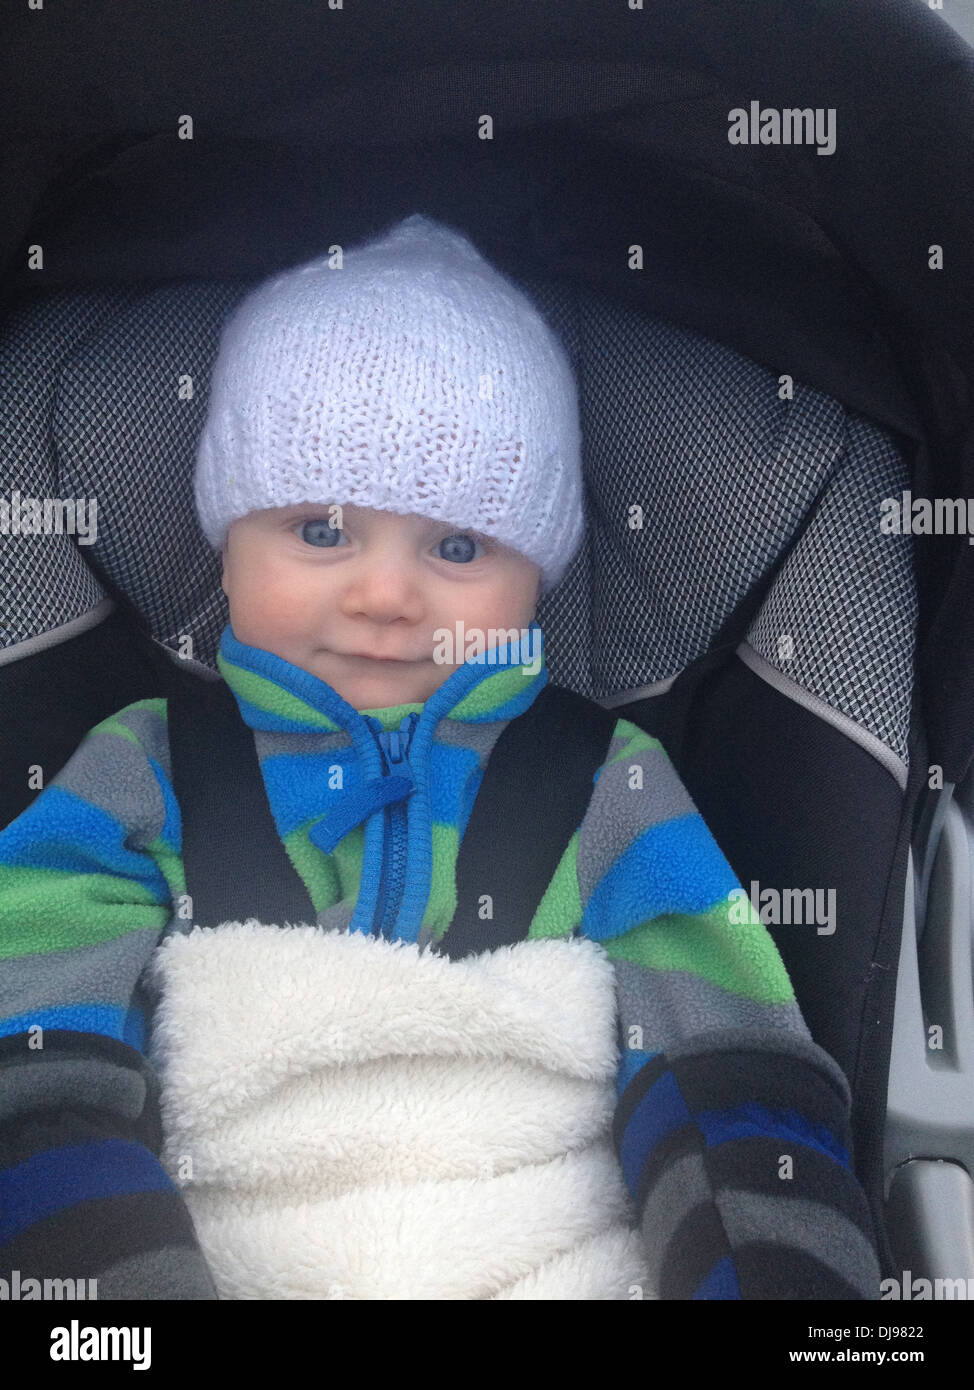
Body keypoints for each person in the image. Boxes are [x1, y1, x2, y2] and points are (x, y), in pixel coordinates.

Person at [0, 213, 881, 1300]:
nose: (384, 593)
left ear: (534, 577)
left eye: (456, 546)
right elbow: (38, 1077)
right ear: (225, 545)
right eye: (320, 531)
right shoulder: (141, 776)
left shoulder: (606, 785)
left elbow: (727, 1080)